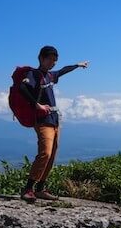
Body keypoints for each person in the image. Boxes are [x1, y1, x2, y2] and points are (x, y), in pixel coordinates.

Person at [19, 45, 89, 202]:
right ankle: (28, 189)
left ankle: (40, 189)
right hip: (43, 120)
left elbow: (63, 71)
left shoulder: (50, 76)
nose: (53, 63)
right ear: (41, 58)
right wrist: (36, 105)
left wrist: (77, 65)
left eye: (55, 60)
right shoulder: (34, 74)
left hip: (55, 120)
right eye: (50, 59)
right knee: (45, 153)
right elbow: (23, 87)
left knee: (52, 156)